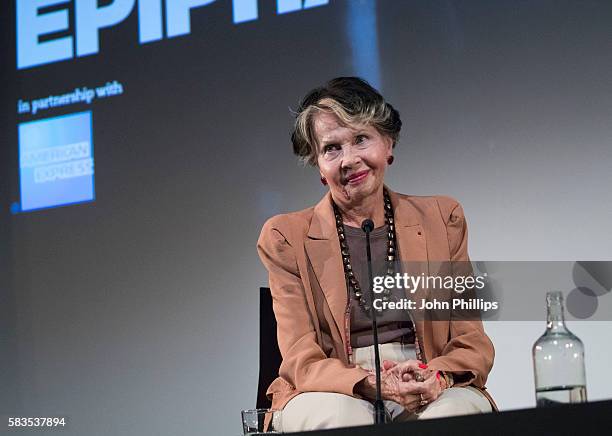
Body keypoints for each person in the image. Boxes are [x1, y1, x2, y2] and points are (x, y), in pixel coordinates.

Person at [257, 77, 496, 432]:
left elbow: (470, 339)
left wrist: (438, 378)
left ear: (388, 144)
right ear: (319, 166)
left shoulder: (443, 220)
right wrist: (367, 383)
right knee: (343, 420)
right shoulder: (285, 237)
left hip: (426, 373)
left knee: (452, 415)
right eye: (331, 148)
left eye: (361, 139)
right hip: (332, 385)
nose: (349, 160)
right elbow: (300, 359)